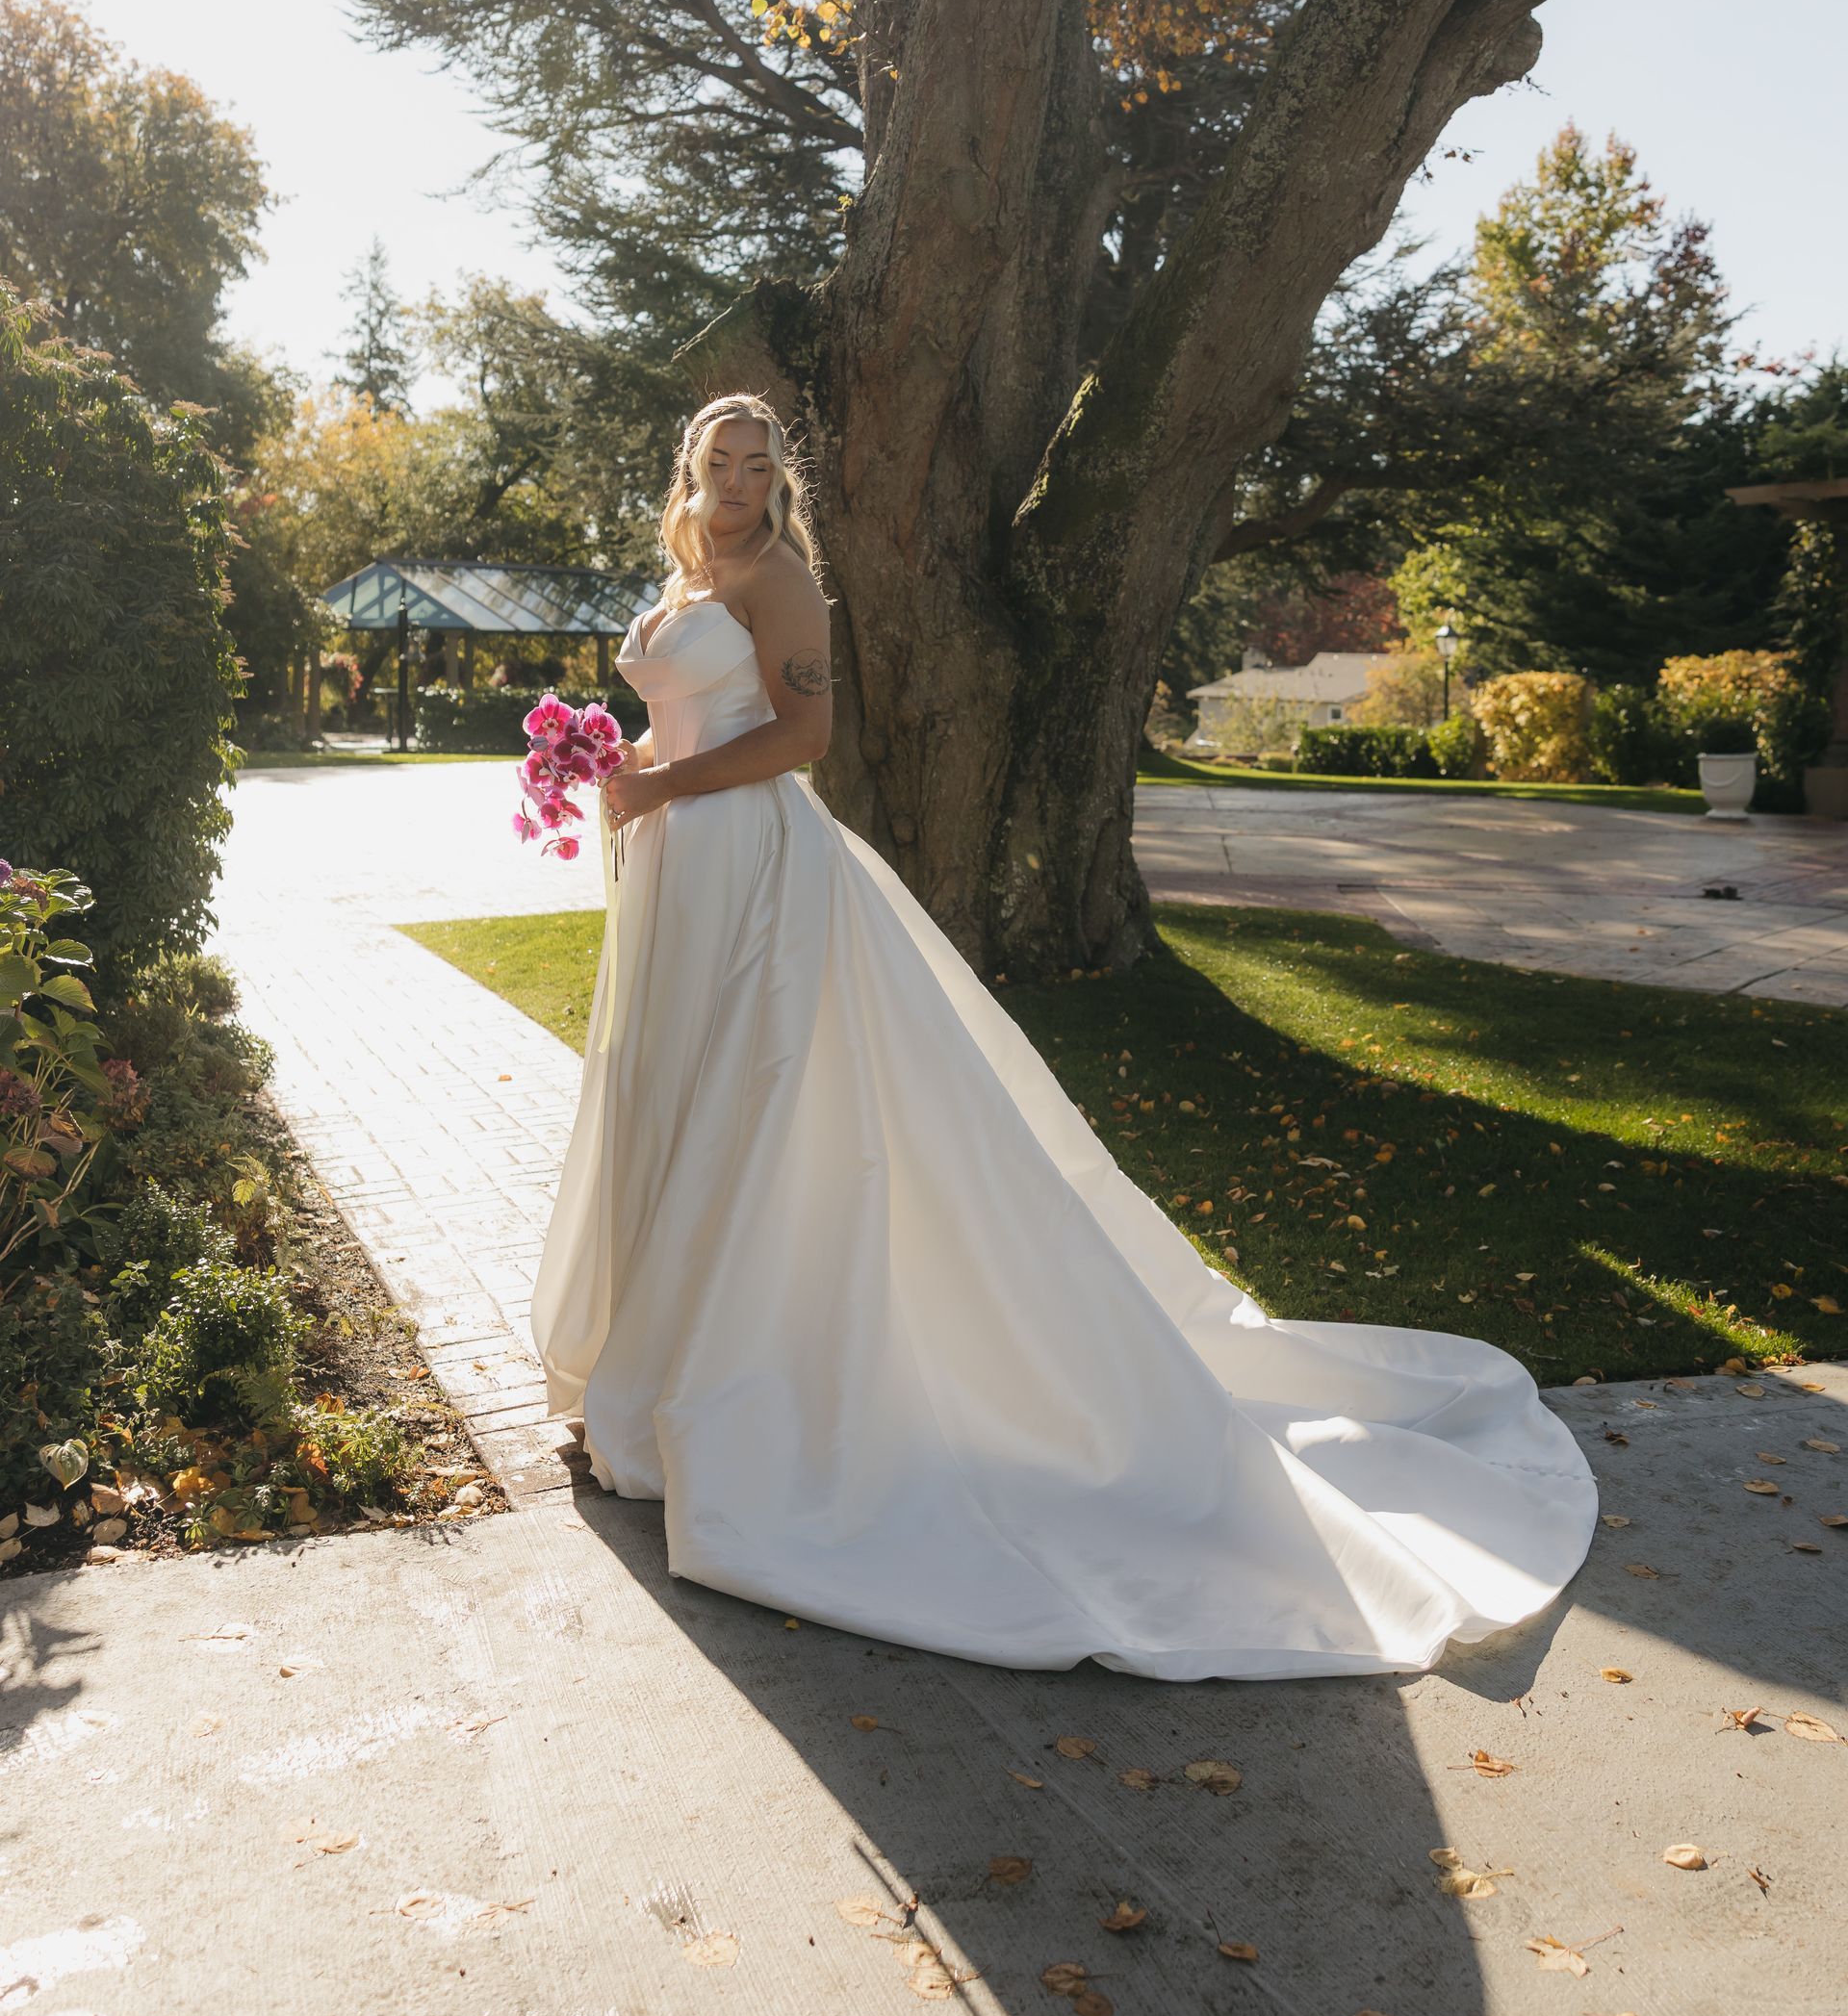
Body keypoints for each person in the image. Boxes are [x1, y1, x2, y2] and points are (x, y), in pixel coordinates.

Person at [529, 396, 1597, 1680]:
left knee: (747, 1119)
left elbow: (802, 741)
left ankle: (716, 1396)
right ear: (691, 469)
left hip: (756, 877)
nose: (743, 482)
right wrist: (612, 764)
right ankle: (646, 1373)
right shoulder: (691, 573)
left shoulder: (785, 581)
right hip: (674, 876)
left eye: (762, 465)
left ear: (778, 479)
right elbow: (688, 722)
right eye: (722, 462)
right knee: (666, 1105)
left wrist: (656, 785)